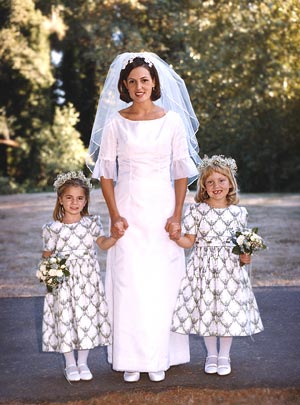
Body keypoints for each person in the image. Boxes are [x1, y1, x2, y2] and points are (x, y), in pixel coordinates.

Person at [86, 52, 201, 382]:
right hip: (128, 205)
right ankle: (130, 358)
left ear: (154, 84)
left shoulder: (172, 121)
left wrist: (177, 214)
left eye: (145, 81)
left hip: (162, 206)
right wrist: (114, 214)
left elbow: (181, 171)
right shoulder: (116, 123)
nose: (139, 86)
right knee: (129, 279)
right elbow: (106, 172)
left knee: (161, 280)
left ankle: (161, 355)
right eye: (133, 81)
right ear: (124, 85)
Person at [171, 155, 264, 376]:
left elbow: (242, 244)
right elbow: (188, 241)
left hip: (229, 269)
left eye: (221, 180)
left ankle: (224, 355)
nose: (216, 186)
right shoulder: (196, 211)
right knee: (208, 310)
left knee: (225, 310)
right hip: (202, 268)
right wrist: (176, 237)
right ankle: (211, 354)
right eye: (210, 182)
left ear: (230, 183)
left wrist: (245, 256)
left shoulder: (238, 213)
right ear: (203, 186)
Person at [41, 171, 118, 382]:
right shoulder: (53, 229)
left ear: (86, 201)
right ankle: (70, 364)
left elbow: (102, 244)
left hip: (87, 279)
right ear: (60, 199)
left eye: (80, 198)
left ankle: (83, 362)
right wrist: (49, 276)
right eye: (69, 197)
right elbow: (47, 255)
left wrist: (115, 237)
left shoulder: (91, 223)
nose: (74, 202)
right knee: (65, 317)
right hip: (64, 280)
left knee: (86, 317)